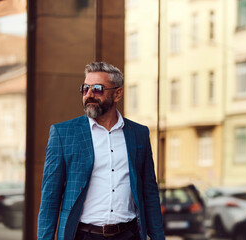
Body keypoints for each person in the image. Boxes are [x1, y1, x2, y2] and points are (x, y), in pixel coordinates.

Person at [37, 62, 165, 240]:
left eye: (97, 89)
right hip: (83, 235)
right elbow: (50, 197)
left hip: (129, 234)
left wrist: (158, 236)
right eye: (85, 88)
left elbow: (149, 191)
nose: (89, 94)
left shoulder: (139, 133)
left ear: (117, 93)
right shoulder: (63, 133)